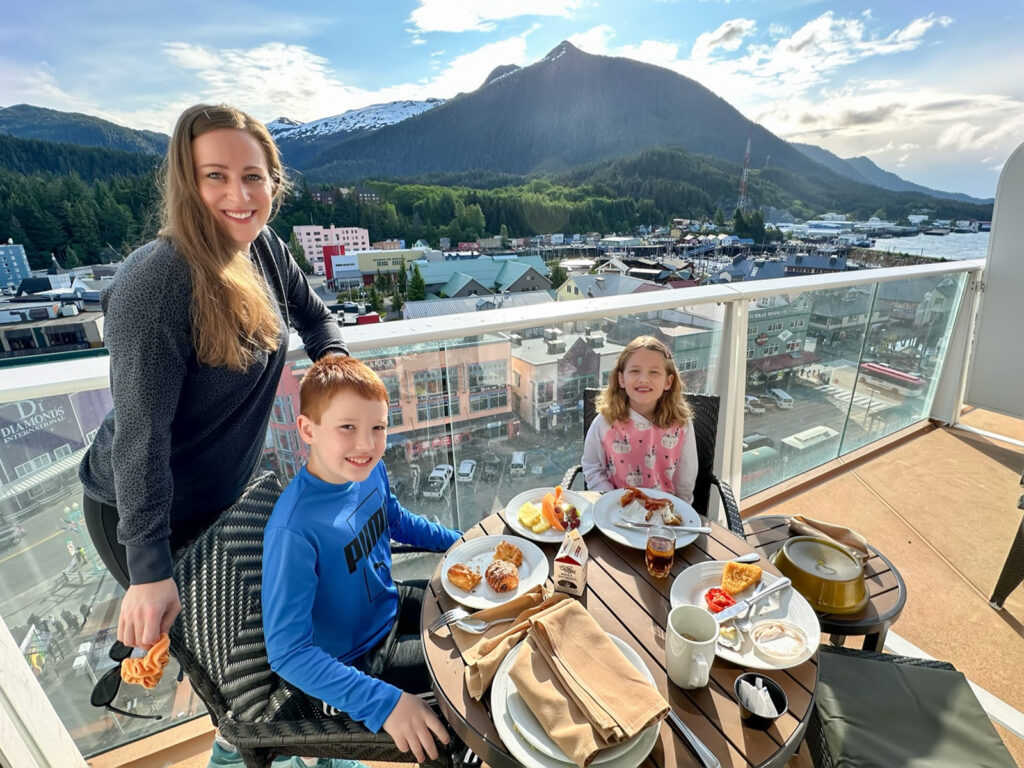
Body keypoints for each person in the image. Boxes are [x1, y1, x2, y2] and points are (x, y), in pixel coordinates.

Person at [78, 104, 348, 653]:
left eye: (253, 177)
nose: (239, 196)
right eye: (215, 177)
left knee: (292, 636)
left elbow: (315, 317)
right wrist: (150, 570)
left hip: (226, 494)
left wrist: (341, 381)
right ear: (187, 183)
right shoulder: (156, 283)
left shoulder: (263, 248)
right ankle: (250, 744)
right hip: (147, 518)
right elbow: (140, 435)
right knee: (248, 673)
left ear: (274, 182)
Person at [263, 355, 459, 765]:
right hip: (357, 661)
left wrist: (462, 542)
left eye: (378, 428)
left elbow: (397, 520)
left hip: (388, 604)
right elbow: (287, 652)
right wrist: (384, 703)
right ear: (307, 430)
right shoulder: (293, 530)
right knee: (470, 668)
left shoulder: (368, 470)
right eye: (347, 428)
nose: (366, 444)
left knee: (476, 606)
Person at [580, 335, 698, 502]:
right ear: (621, 379)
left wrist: (681, 509)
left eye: (654, 372)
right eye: (635, 371)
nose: (643, 379)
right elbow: (592, 467)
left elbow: (686, 477)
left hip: (663, 512)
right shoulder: (605, 421)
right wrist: (610, 500)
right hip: (615, 512)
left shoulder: (681, 423)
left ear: (668, 381)